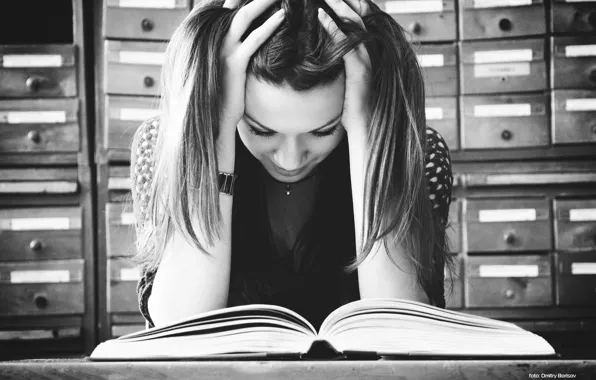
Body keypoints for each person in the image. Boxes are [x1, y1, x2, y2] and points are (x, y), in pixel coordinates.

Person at [129, 0, 455, 330]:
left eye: (324, 130)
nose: (290, 160)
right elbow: (180, 328)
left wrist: (370, 135)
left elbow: (401, 330)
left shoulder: (420, 151)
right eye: (260, 129)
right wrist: (212, 130)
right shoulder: (161, 145)